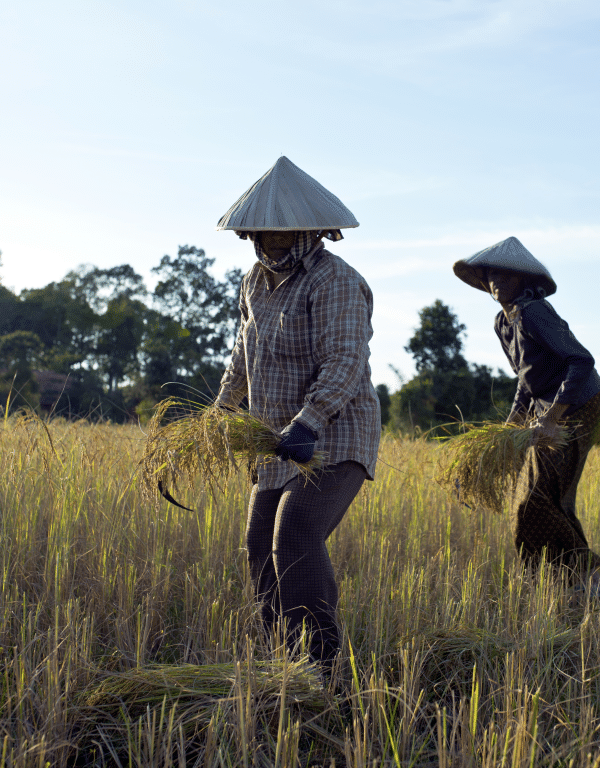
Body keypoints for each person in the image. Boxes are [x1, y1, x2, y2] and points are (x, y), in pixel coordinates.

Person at [212, 156, 381, 669]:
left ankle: (324, 669)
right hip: (275, 440)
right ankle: (282, 662)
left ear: (311, 231)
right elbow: (243, 354)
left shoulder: (336, 281)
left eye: (285, 235)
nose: (273, 243)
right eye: (264, 234)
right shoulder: (252, 283)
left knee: (297, 535)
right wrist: (220, 412)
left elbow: (346, 359)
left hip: (333, 433)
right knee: (259, 545)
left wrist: (309, 421)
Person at [453, 236, 600, 596]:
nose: (498, 282)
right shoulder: (502, 322)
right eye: (493, 275)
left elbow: (581, 361)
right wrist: (512, 426)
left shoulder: (535, 312)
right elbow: (527, 381)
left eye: (508, 276)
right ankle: (563, 582)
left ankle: (586, 580)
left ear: (523, 281)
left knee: (539, 498)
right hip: (545, 413)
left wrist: (553, 416)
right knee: (539, 499)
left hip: (579, 406)